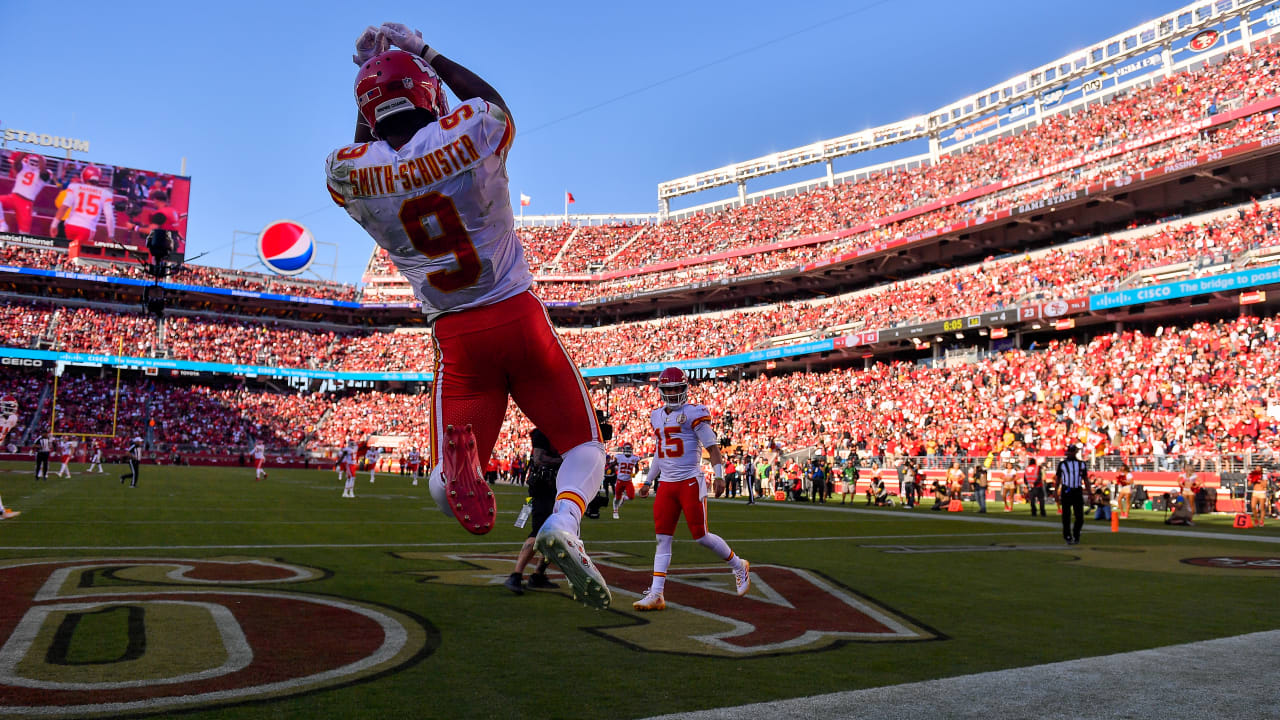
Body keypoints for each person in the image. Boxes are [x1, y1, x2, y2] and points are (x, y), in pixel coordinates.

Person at [327, 24, 610, 609]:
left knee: (442, 481)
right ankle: (563, 521)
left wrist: (367, 87)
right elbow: (495, 105)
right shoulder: (473, 129)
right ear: (430, 95)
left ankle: (455, 471)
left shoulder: (347, 173)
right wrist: (422, 54)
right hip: (516, 314)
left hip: (455, 335)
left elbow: (365, 149)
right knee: (585, 448)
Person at [632, 367, 750, 612]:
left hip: (689, 481)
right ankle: (656, 594)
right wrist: (647, 480)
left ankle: (738, 565)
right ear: (661, 392)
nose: (673, 393)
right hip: (666, 484)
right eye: (669, 389)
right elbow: (658, 453)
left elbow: (713, 447)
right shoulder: (656, 416)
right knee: (662, 539)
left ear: (685, 389)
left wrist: (719, 476)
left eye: (677, 388)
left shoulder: (694, 413)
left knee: (701, 536)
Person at [505, 427, 576, 595]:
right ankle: (516, 574)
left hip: (559, 488)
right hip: (542, 488)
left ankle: (538, 574)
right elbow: (538, 459)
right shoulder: (543, 432)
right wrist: (565, 461)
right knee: (538, 531)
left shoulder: (565, 434)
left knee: (556, 534)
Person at [58, 165, 116, 251]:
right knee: (75, 255)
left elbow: (65, 205)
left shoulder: (75, 187)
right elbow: (109, 217)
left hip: (69, 225)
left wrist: (55, 223)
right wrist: (111, 235)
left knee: (66, 250)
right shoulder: (105, 193)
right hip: (86, 228)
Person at [0, 151, 51, 235]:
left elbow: (44, 175)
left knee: (24, 233)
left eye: (37, 161)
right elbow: (16, 163)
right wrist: (24, 153)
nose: (35, 163)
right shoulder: (24, 166)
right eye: (33, 161)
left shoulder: (47, 172)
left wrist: (40, 157)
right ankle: (2, 225)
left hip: (26, 203)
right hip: (14, 197)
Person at [1056, 445, 1091, 545]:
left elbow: (1086, 479)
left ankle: (1076, 535)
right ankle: (1067, 535)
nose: (1071, 453)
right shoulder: (1062, 464)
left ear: (1075, 452)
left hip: (1077, 490)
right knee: (1066, 516)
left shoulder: (1081, 464)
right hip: (1066, 489)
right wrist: (1056, 492)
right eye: (1070, 451)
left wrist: (1089, 493)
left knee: (1079, 516)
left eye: (1073, 451)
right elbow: (1058, 478)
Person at [612, 442, 642, 519]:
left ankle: (624, 498)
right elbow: (613, 464)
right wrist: (610, 469)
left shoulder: (634, 458)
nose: (628, 450)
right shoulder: (619, 457)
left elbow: (637, 468)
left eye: (629, 448)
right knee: (617, 498)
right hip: (619, 480)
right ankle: (615, 511)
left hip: (628, 481)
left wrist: (635, 473)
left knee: (631, 497)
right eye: (627, 448)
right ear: (623, 449)